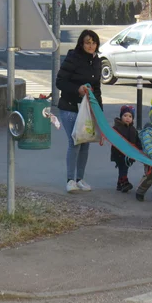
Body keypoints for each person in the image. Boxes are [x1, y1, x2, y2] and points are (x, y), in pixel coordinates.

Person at [56, 29, 103, 194]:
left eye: (93, 42)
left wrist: (100, 115)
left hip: (87, 110)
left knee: (85, 144)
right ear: (81, 44)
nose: (90, 46)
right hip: (69, 106)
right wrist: (78, 89)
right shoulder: (73, 57)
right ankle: (70, 180)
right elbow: (60, 82)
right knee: (75, 141)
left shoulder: (97, 61)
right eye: (87, 42)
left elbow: (97, 89)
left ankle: (80, 179)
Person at [111, 105, 140, 193]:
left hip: (129, 154)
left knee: (125, 168)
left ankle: (120, 184)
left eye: (130, 116)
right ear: (121, 116)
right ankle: (124, 182)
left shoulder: (133, 129)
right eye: (125, 116)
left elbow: (137, 140)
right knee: (123, 168)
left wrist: (140, 149)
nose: (127, 118)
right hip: (119, 153)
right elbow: (112, 137)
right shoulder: (117, 128)